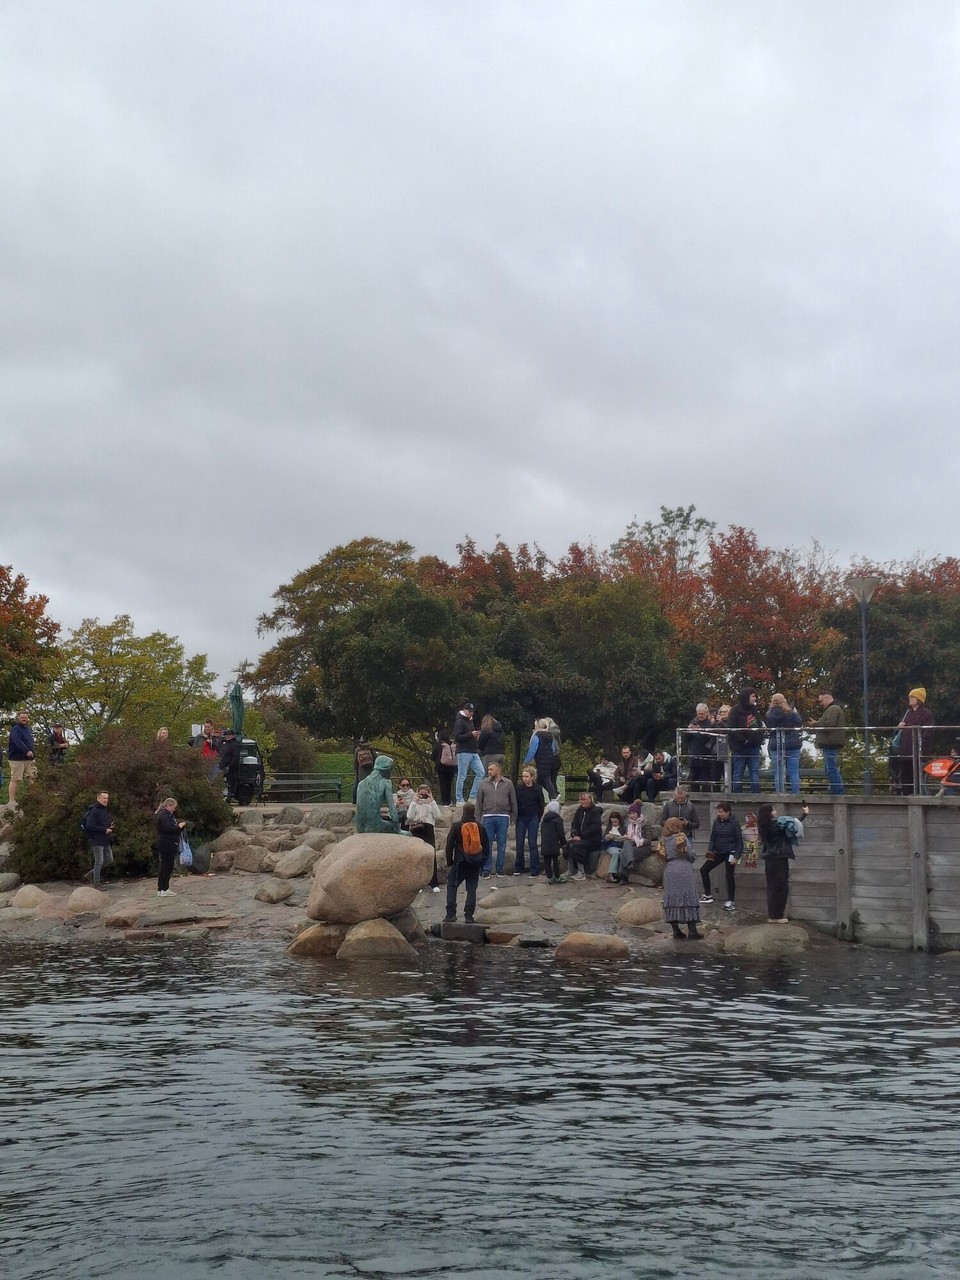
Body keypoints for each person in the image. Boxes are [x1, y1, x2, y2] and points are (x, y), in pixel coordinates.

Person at [758, 801, 808, 922]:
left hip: (769, 859)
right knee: (781, 887)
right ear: (769, 813)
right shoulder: (777, 824)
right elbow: (793, 824)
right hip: (779, 858)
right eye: (773, 810)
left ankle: (772, 915)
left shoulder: (763, 825)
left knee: (771, 887)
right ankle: (777, 916)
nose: (776, 812)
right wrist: (804, 814)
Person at [443, 802, 489, 923]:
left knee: (452, 886)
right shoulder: (480, 827)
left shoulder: (456, 826)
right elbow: (486, 847)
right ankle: (469, 916)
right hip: (474, 863)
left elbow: (449, 845)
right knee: (471, 889)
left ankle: (450, 914)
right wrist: (481, 862)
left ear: (463, 811)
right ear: (474, 812)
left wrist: (450, 862)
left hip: (459, 862)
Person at [661, 816, 702, 940]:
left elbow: (662, 856)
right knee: (688, 897)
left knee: (672, 898)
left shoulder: (663, 840)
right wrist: (693, 856)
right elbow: (689, 853)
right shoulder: (681, 837)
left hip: (670, 869)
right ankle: (692, 931)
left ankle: (676, 931)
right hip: (683, 868)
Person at [475, 760, 518, 877]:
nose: (489, 772)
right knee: (487, 843)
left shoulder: (508, 783)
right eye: (488, 770)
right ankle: (486, 869)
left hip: (503, 816)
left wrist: (513, 816)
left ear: (498, 770)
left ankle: (500, 868)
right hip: (487, 816)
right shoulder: (483, 784)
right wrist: (477, 819)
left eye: (491, 769)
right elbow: (479, 802)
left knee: (502, 844)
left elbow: (513, 800)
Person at [699, 800, 743, 909]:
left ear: (728, 812)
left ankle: (731, 901)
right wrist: (710, 851)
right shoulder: (717, 821)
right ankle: (708, 895)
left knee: (729, 876)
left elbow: (740, 841)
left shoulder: (734, 822)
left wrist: (737, 856)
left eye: (722, 812)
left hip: (730, 852)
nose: (720, 814)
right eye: (719, 812)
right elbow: (713, 838)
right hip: (718, 851)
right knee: (704, 869)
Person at [892, 688, 935, 796]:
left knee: (916, 773)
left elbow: (928, 731)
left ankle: (917, 794)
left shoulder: (926, 714)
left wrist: (920, 743)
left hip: (917, 750)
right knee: (905, 774)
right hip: (905, 750)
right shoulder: (907, 713)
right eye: (910, 697)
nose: (910, 699)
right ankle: (907, 795)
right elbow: (900, 730)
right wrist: (899, 727)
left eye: (913, 697)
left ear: (919, 699)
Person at [406, 783, 442, 892]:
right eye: (421, 793)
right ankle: (418, 883)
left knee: (431, 855)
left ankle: (434, 882)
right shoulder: (415, 803)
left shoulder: (431, 803)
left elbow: (438, 816)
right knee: (417, 856)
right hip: (417, 828)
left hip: (428, 828)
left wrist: (432, 801)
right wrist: (414, 801)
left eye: (425, 793)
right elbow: (409, 816)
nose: (423, 796)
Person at [728, 688, 765, 793]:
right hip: (739, 747)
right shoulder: (735, 710)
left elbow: (759, 724)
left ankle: (755, 794)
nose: (755, 698)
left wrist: (759, 739)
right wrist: (743, 740)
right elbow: (731, 728)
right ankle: (737, 795)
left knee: (754, 771)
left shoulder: (754, 710)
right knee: (738, 772)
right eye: (753, 696)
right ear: (746, 697)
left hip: (754, 746)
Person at [810, 691, 846, 795]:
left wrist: (816, 724)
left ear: (827, 698)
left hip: (831, 743)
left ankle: (838, 792)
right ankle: (835, 790)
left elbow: (829, 724)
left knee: (831, 769)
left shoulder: (833, 709)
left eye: (821, 701)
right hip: (832, 742)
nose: (821, 704)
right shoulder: (835, 708)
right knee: (830, 768)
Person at [765, 693, 803, 794]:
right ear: (784, 701)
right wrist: (796, 712)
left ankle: (779, 794)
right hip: (792, 744)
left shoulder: (769, 715)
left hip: (775, 744)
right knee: (793, 772)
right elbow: (799, 722)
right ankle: (796, 794)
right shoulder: (791, 713)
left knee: (778, 772)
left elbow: (769, 726)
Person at [354, 756, 402, 833]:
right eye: (391, 769)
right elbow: (392, 810)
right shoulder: (386, 782)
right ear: (387, 769)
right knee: (392, 827)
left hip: (359, 826)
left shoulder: (361, 783)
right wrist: (398, 830)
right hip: (374, 827)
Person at [563, 792, 603, 880]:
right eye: (581, 799)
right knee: (568, 845)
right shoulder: (579, 810)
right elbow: (574, 824)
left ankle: (581, 872)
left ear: (590, 800)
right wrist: (574, 834)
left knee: (577, 847)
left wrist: (581, 836)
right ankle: (571, 870)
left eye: (584, 799)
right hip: (580, 837)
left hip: (592, 839)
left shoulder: (595, 812)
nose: (582, 801)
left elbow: (594, 828)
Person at [514, 766, 544, 876]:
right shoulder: (518, 788)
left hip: (533, 817)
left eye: (526, 776)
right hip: (521, 817)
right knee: (519, 843)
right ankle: (518, 867)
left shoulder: (538, 788)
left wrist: (538, 817)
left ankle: (534, 869)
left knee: (532, 844)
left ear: (532, 777)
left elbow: (541, 804)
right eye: (523, 776)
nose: (524, 778)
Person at [453, 703, 485, 804]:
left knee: (481, 772)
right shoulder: (459, 722)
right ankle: (459, 799)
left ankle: (472, 796)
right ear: (465, 710)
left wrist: (475, 737)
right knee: (462, 775)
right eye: (469, 711)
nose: (471, 713)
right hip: (463, 751)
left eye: (472, 711)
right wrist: (471, 734)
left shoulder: (470, 722)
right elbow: (457, 737)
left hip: (473, 751)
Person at [522, 718, 561, 800]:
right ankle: (539, 797)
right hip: (549, 760)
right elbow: (553, 749)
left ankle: (553, 796)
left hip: (540, 760)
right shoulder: (550, 735)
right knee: (539, 781)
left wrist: (526, 761)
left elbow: (532, 751)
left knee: (546, 778)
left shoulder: (537, 736)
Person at [82, 789, 114, 889]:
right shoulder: (94, 810)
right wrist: (104, 829)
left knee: (109, 859)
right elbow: (90, 825)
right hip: (96, 839)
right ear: (98, 798)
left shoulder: (103, 809)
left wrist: (109, 826)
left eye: (107, 798)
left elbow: (100, 823)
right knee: (99, 861)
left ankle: (90, 874)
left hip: (105, 839)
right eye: (104, 798)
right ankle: (97, 883)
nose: (106, 800)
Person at [155, 797, 186, 897]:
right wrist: (178, 827)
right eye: (173, 807)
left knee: (166, 866)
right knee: (166, 866)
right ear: (169, 806)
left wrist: (179, 828)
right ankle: (163, 888)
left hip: (169, 842)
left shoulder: (167, 815)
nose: (174, 809)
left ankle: (163, 888)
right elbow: (168, 828)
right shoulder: (163, 815)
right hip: (166, 843)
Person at [7, 711, 36, 807]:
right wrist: (26, 751)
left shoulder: (28, 729)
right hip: (17, 758)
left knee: (32, 777)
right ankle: (11, 801)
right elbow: (17, 741)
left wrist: (32, 752)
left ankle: (34, 799)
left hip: (29, 759)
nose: (24, 719)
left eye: (26, 717)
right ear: (18, 718)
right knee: (15, 779)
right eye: (22, 717)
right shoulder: (15, 729)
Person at [686, 705, 717, 793]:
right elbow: (687, 740)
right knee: (693, 780)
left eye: (702, 714)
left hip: (706, 757)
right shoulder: (693, 722)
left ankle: (705, 801)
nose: (700, 716)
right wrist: (689, 731)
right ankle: (694, 800)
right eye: (698, 714)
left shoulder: (710, 724)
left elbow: (710, 738)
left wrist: (700, 730)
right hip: (694, 756)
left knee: (705, 780)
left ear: (707, 713)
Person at [540, 800, 566, 884]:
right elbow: (560, 832)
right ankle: (557, 876)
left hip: (545, 844)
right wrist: (563, 843)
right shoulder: (557, 820)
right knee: (555, 861)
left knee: (547, 862)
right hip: (554, 844)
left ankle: (549, 877)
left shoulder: (544, 820)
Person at [431, 731, 457, 805]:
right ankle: (449, 800)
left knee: (443, 783)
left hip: (441, 768)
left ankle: (444, 801)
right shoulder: (451, 744)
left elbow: (433, 756)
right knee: (449, 784)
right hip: (451, 767)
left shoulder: (439, 745)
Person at [602, 811, 628, 883]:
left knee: (622, 855)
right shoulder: (609, 827)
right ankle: (611, 873)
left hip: (621, 845)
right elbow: (604, 839)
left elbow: (626, 837)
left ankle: (620, 875)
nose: (614, 824)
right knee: (616, 853)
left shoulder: (623, 827)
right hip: (611, 846)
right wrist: (608, 837)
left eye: (615, 822)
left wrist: (622, 838)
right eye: (612, 822)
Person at [218, 727, 241, 803]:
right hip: (223, 766)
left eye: (227, 735)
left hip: (231, 768)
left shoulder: (235, 744)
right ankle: (225, 796)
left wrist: (229, 766)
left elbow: (235, 757)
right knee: (224, 783)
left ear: (231, 736)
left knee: (230, 783)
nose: (226, 737)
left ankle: (229, 797)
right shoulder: (226, 744)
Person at [712, 704, 732, 789]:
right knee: (715, 775)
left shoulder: (732, 721)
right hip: (716, 751)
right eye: (721, 712)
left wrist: (721, 723)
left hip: (729, 751)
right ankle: (716, 796)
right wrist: (712, 724)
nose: (723, 713)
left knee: (728, 775)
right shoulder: (716, 722)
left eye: (725, 711)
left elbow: (730, 731)